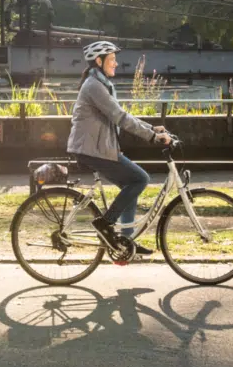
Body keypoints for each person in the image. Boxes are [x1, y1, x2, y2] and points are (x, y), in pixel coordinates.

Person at [68, 40, 172, 260]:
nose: (116, 63)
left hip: (100, 148)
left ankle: (126, 243)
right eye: (112, 59)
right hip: (92, 149)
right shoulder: (94, 86)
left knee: (131, 185)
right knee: (140, 179)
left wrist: (151, 128)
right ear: (99, 61)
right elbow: (120, 117)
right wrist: (152, 136)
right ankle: (105, 224)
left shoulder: (100, 83)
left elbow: (121, 114)